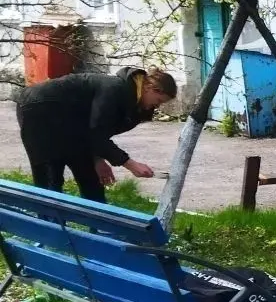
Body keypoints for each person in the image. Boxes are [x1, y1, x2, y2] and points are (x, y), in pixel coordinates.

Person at [15, 66, 177, 202]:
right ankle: (51, 227)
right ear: (150, 88)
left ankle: (100, 226)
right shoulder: (115, 89)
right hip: (39, 110)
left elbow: (96, 131)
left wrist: (97, 159)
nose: (157, 107)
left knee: (90, 179)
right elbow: (97, 135)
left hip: (73, 123)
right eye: (159, 101)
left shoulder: (134, 106)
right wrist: (130, 164)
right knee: (50, 179)